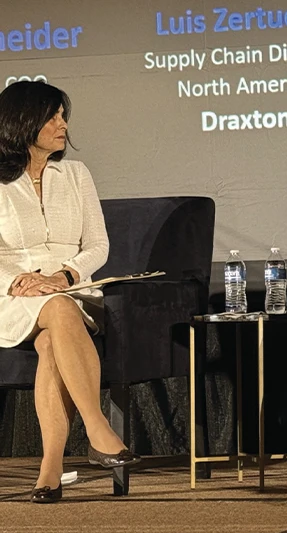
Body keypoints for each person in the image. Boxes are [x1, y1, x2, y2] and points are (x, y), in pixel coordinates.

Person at [0, 81, 140, 504]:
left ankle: (51, 470)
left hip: (71, 289)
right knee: (55, 313)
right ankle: (97, 428)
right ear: (22, 122)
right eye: (53, 116)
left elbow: (98, 245)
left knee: (54, 332)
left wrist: (64, 275)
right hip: (11, 294)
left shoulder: (76, 174)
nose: (63, 125)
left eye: (63, 115)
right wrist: (18, 281)